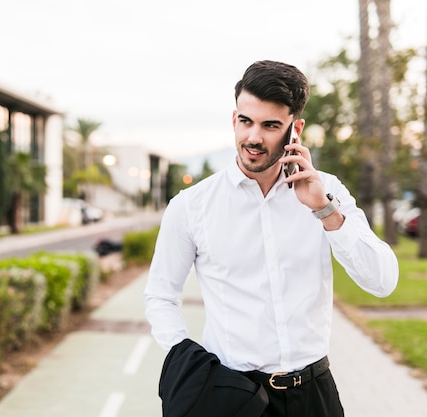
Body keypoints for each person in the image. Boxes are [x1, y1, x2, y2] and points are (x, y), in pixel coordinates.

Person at [144, 60, 399, 417]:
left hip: (313, 395)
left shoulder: (327, 191)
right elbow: (160, 295)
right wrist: (191, 365)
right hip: (231, 395)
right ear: (234, 119)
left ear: (295, 130)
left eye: (270, 125)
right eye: (246, 121)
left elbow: (382, 282)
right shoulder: (191, 206)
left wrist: (324, 210)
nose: (253, 137)